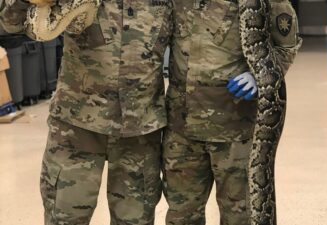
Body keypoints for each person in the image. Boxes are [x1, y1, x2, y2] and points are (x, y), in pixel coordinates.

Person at [0, 0, 172, 224]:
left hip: (140, 131)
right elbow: (10, 23)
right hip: (76, 126)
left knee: (136, 220)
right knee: (65, 217)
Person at [162, 0, 301, 224]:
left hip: (236, 131)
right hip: (181, 129)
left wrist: (260, 76)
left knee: (240, 215)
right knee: (182, 214)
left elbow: (285, 46)